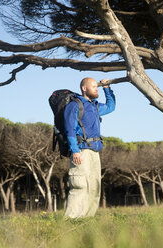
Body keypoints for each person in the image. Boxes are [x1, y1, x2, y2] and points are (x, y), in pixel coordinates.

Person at [63, 77, 115, 218]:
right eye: (94, 86)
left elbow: (111, 107)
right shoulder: (75, 105)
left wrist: (107, 88)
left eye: (96, 87)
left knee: (94, 187)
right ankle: (71, 219)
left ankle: (87, 219)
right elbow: (70, 129)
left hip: (95, 151)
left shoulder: (95, 106)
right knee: (80, 185)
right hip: (81, 151)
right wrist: (75, 151)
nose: (95, 88)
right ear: (84, 88)